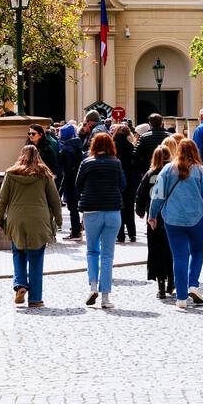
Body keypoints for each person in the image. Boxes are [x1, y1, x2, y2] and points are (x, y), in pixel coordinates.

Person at [150, 139, 203, 310]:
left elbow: (157, 194)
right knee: (197, 252)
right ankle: (193, 284)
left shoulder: (167, 170)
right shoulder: (202, 172)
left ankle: (181, 298)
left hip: (172, 220)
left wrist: (153, 215)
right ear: (195, 151)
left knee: (179, 257)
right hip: (197, 219)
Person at [0, 144, 63, 309]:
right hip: (39, 221)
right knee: (36, 258)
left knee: (18, 253)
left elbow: (2, 199)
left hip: (16, 220)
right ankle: (35, 299)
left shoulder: (11, 174)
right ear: (38, 156)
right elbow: (55, 200)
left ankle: (20, 285)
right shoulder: (44, 175)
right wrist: (59, 221)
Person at [75, 132, 126, 309]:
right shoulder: (116, 163)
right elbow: (123, 185)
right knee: (107, 255)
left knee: (92, 251)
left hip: (92, 211)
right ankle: (105, 298)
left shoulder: (86, 163)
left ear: (93, 146)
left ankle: (93, 286)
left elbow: (78, 185)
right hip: (112, 210)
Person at [137, 137, 179, 299]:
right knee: (172, 250)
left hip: (154, 218)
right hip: (172, 217)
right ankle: (171, 280)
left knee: (156, 251)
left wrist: (140, 211)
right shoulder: (175, 173)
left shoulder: (150, 174)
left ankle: (160, 285)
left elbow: (140, 195)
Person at [57, 122, 84, 239]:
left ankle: (75, 232)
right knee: (74, 207)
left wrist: (61, 190)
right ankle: (77, 229)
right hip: (77, 180)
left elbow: (67, 172)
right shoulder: (77, 145)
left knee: (72, 207)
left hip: (71, 182)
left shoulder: (67, 149)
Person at [114, 123, 138, 243]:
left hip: (117, 180)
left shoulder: (113, 147)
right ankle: (132, 233)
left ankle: (120, 235)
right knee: (129, 208)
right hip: (129, 179)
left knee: (119, 207)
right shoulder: (130, 146)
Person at [134, 113, 170, 181]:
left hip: (149, 169)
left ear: (150, 124)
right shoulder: (170, 136)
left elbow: (136, 155)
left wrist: (141, 169)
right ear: (162, 123)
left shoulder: (144, 137)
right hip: (167, 170)